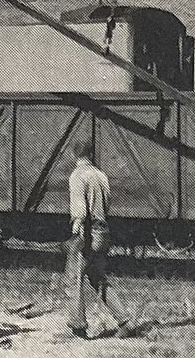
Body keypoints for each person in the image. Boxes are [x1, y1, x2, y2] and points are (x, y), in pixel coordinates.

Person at [65, 139, 134, 339]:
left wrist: (76, 235)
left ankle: (78, 326)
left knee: (73, 279)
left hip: (87, 233)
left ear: (73, 155)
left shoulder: (77, 176)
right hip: (103, 231)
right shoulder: (101, 175)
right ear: (91, 155)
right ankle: (125, 322)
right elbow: (108, 203)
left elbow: (79, 210)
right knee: (98, 279)